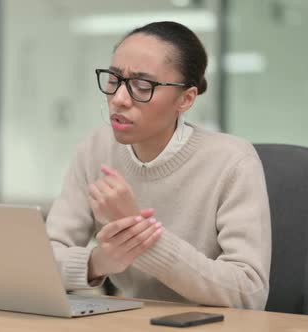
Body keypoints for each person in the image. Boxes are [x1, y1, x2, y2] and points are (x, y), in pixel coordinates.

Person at [45, 21, 271, 310]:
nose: (119, 98)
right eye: (114, 79)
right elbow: (45, 260)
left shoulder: (234, 162)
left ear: (186, 99)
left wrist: (141, 234)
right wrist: (98, 261)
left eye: (142, 86)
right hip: (132, 320)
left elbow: (248, 292)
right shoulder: (96, 149)